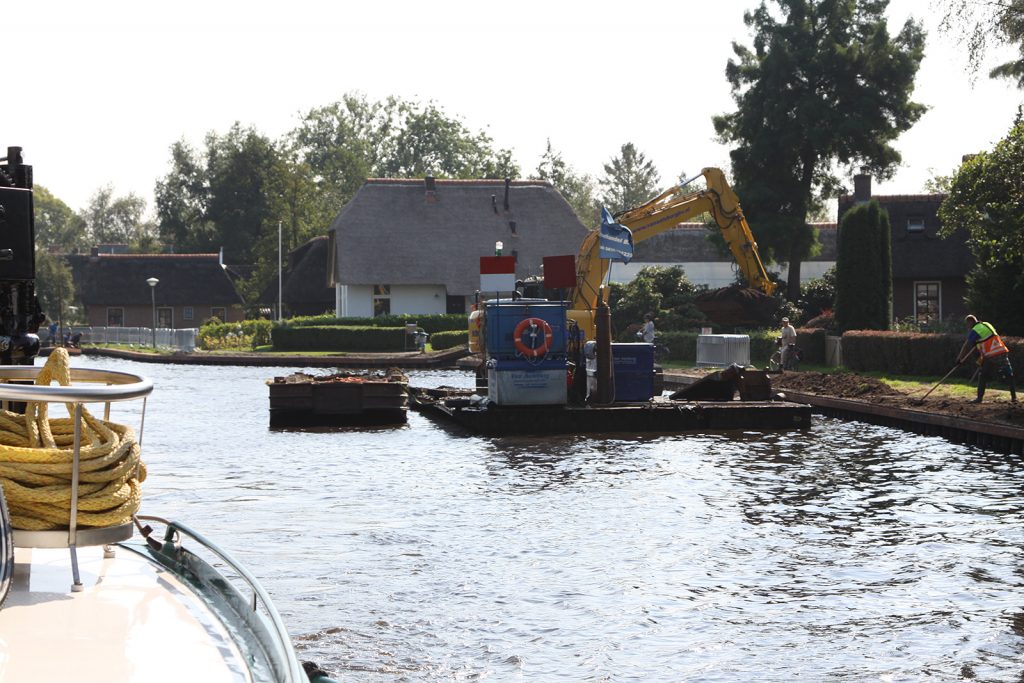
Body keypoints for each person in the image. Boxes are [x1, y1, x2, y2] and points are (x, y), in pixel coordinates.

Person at [956, 314, 1017, 404]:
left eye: (967, 324)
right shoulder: (987, 324)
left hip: (991, 355)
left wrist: (959, 359)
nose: (967, 327)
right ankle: (1014, 397)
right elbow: (986, 339)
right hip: (1001, 351)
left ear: (970, 322)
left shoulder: (976, 330)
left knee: (983, 375)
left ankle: (979, 398)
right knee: (1008, 373)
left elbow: (966, 345)